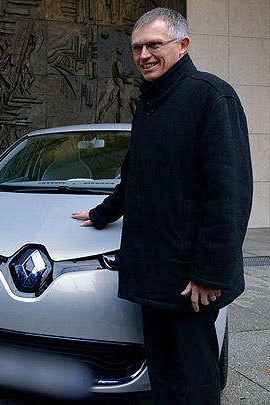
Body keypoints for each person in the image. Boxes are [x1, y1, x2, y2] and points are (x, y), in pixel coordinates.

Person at [71, 8, 252, 404]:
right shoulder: (151, 103)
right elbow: (135, 176)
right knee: (165, 372)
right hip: (153, 268)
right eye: (137, 48)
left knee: (197, 378)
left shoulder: (211, 96)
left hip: (190, 277)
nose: (144, 55)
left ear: (183, 45)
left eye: (154, 45)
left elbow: (231, 194)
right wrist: (102, 213)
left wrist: (209, 272)